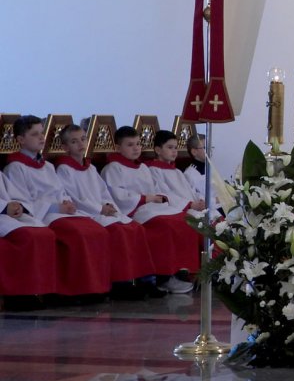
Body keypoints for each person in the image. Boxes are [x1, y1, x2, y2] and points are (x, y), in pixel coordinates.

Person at [3, 115, 112, 297]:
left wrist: (66, 202)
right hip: (45, 214)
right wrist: (54, 207)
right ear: (20, 140)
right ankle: (75, 290)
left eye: (42, 133)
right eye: (34, 134)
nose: (41, 137)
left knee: (97, 230)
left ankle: (96, 287)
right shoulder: (15, 167)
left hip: (61, 211)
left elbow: (60, 190)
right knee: (79, 234)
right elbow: (22, 201)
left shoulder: (47, 166)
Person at [55, 124, 156, 294]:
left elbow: (104, 192)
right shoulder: (64, 169)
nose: (80, 144)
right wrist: (99, 208)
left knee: (135, 228)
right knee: (118, 231)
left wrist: (109, 206)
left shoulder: (90, 167)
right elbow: (74, 198)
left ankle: (143, 279)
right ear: (65, 147)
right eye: (74, 141)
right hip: (87, 213)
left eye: (83, 139)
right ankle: (121, 283)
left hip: (102, 210)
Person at [101, 126, 200, 293]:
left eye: (138, 144)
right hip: (137, 210)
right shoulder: (112, 168)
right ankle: (164, 277)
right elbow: (118, 196)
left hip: (154, 207)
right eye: (130, 145)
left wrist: (158, 198)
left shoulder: (143, 168)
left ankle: (183, 271)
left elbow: (156, 189)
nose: (136, 148)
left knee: (185, 220)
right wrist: (146, 199)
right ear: (118, 148)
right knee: (166, 225)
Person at [0, 168, 58, 304]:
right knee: (26, 236)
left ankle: (42, 291)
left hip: (9, 215)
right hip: (3, 214)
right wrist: (4, 207)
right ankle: (20, 295)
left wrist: (19, 205)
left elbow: (16, 195)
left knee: (45, 234)